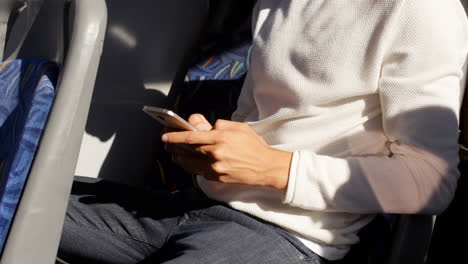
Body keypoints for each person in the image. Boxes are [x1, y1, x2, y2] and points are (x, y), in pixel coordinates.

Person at [58, 0, 468, 263]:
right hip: (194, 204)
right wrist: (211, 148)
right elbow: (271, 123)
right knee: (18, 199)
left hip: (289, 238)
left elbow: (430, 180)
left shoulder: (423, 11)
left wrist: (274, 169)